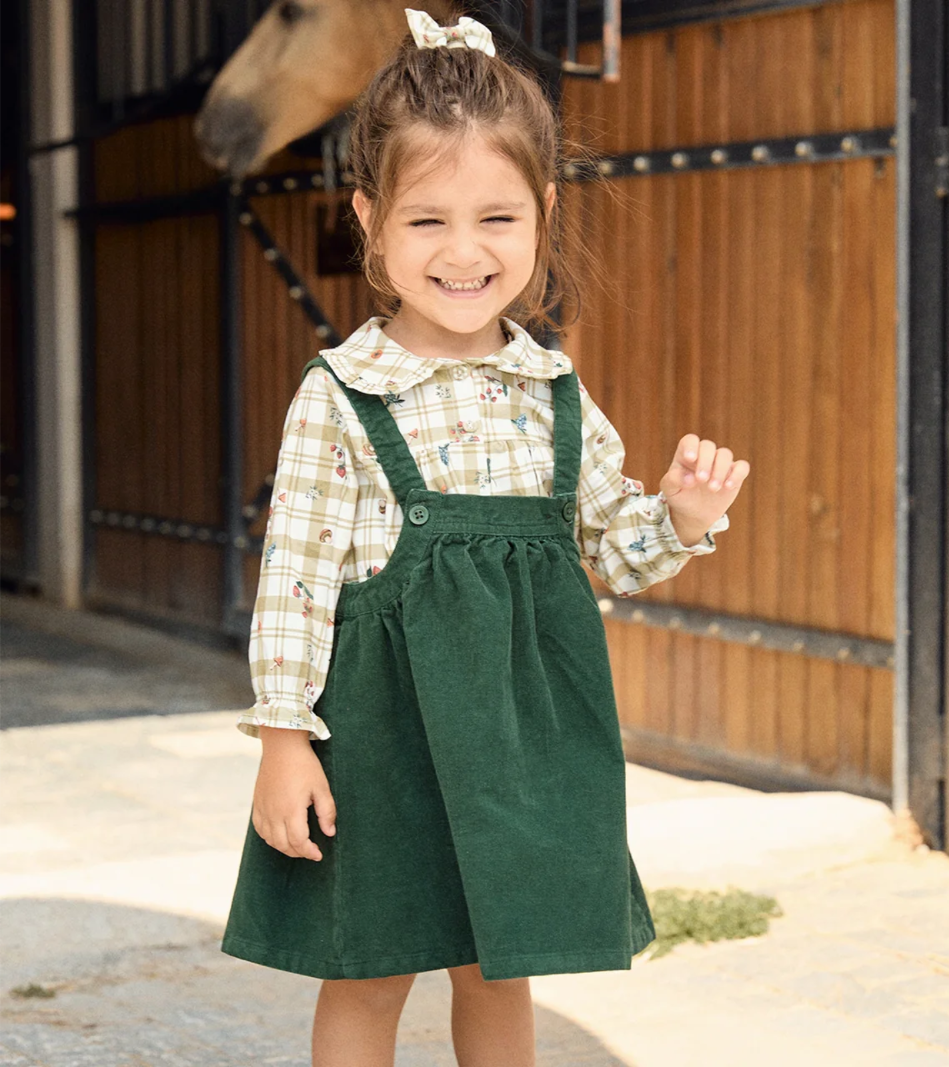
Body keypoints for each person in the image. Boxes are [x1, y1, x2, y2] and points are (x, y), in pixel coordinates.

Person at [221, 9, 750, 1067]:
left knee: (500, 964)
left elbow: (606, 551)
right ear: (369, 219)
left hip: (518, 737)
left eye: (496, 218)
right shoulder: (343, 393)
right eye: (425, 222)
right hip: (380, 735)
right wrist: (285, 741)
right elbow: (294, 578)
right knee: (367, 968)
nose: (463, 254)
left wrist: (680, 521)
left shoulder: (553, 393)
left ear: (543, 214)